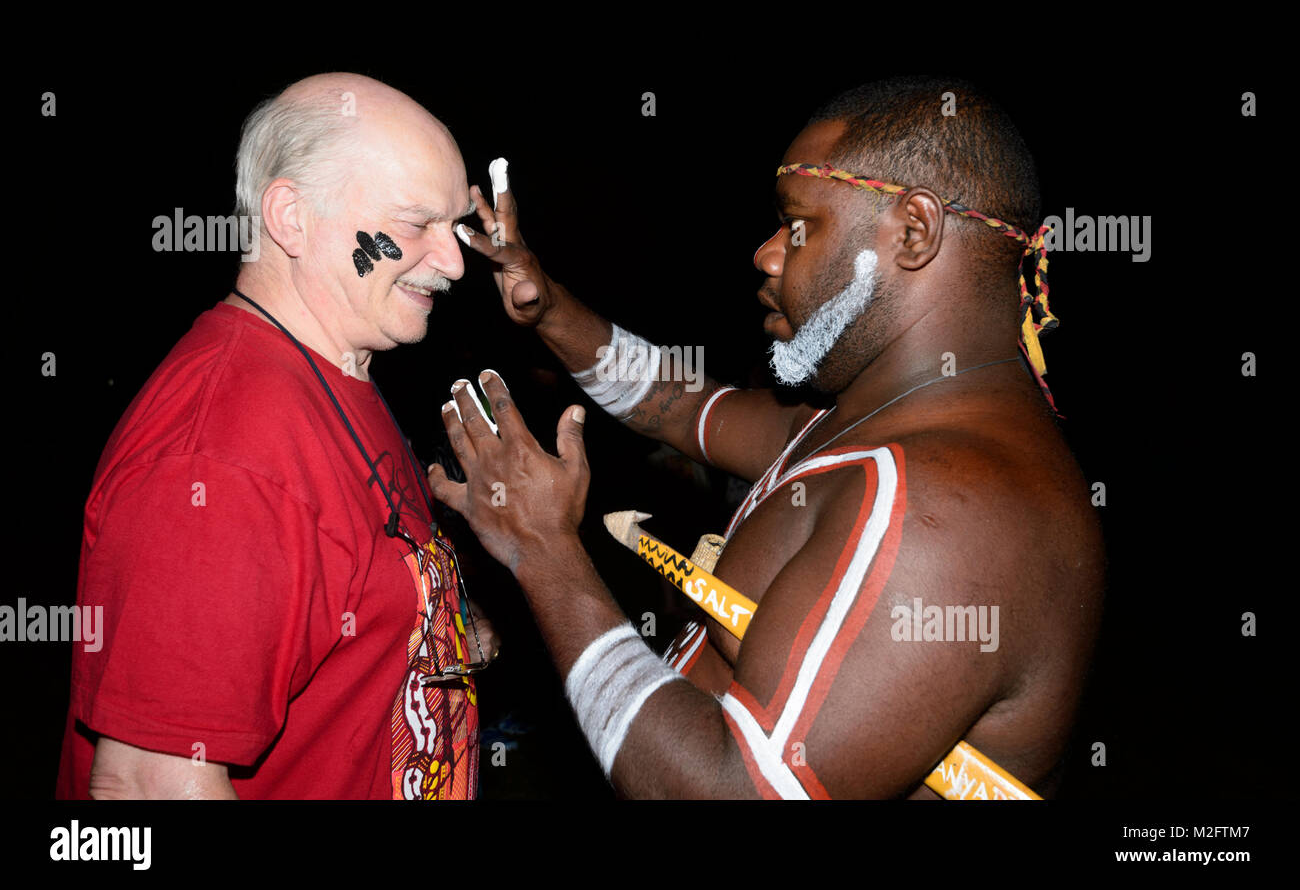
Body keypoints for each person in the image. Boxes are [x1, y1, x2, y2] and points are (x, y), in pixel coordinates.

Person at [435, 76, 1105, 798]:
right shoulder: (862, 424)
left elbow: (732, 791)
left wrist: (545, 552)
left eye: (797, 226)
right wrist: (546, 308)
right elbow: (672, 401)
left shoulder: (947, 511)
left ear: (913, 231)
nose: (765, 253)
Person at [56, 73, 495, 800]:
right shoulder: (225, 452)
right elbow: (147, 784)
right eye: (417, 223)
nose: (453, 261)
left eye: (454, 227)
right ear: (291, 217)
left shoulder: (334, 367)